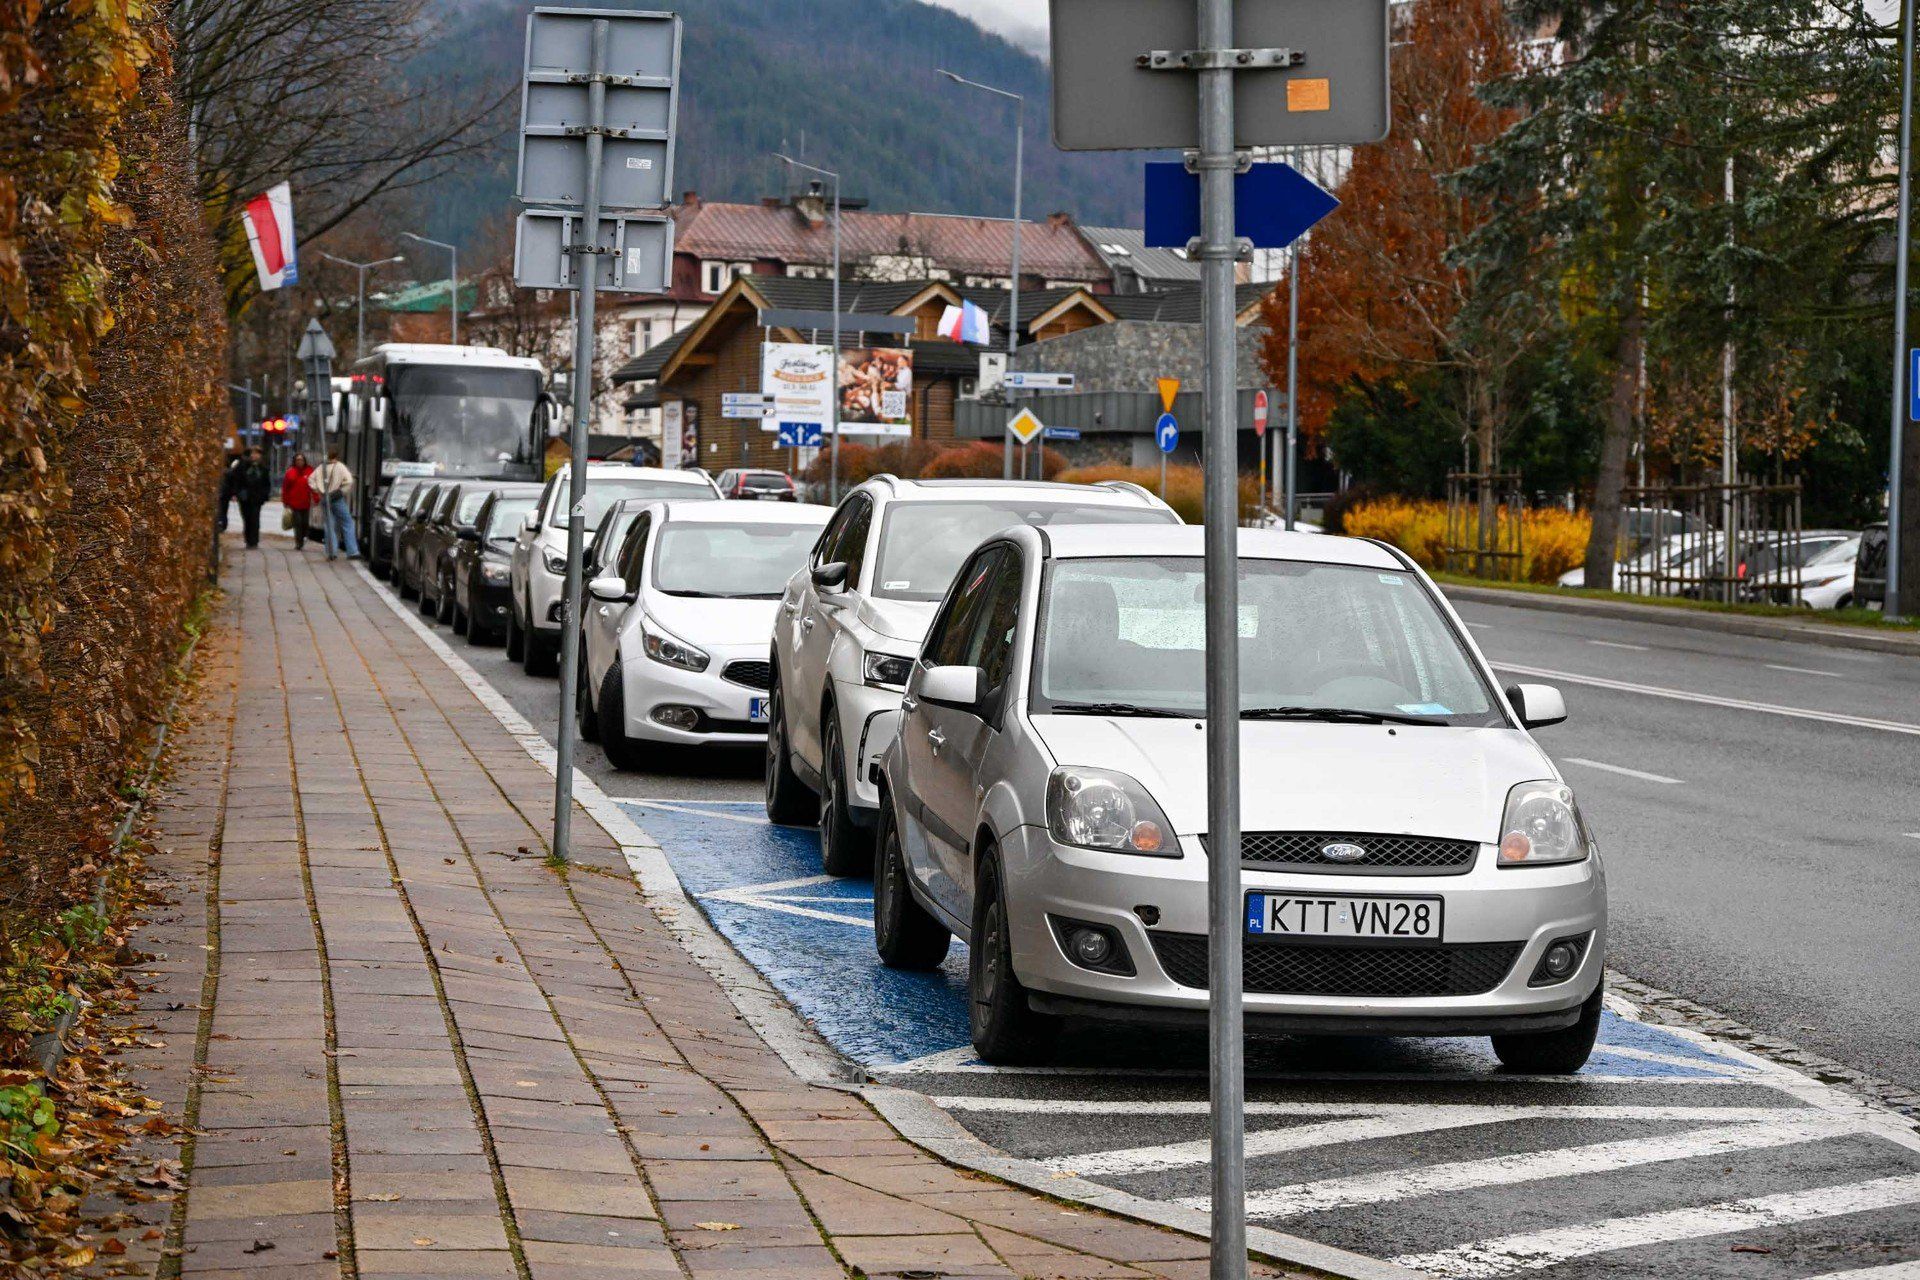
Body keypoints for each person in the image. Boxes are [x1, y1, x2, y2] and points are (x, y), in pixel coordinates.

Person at [310, 449, 359, 561]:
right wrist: (342, 491)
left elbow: (310, 480)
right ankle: (352, 551)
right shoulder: (340, 466)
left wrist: (319, 490)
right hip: (337, 498)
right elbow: (349, 481)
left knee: (329, 525)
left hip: (324, 498)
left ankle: (331, 552)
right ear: (337, 456)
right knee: (347, 523)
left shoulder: (321, 467)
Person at [233, 447, 272, 548]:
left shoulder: (263, 468)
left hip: (257, 497)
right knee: (247, 518)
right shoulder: (243, 466)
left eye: (257, 454)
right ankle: (248, 539)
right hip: (245, 497)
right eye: (253, 454)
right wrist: (238, 493)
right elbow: (236, 480)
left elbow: (266, 483)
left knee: (255, 518)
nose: (254, 456)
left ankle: (254, 541)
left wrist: (264, 495)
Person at [282, 452, 317, 549]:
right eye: (297, 460)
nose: (299, 462)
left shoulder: (310, 471)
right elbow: (285, 488)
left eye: (301, 460)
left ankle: (303, 536)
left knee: (305, 523)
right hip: (294, 503)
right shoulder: (290, 472)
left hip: (305, 502)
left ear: (304, 461)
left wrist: (316, 498)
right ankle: (299, 543)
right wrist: (285, 502)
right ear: (294, 461)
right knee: (298, 523)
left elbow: (313, 486)